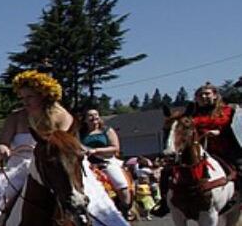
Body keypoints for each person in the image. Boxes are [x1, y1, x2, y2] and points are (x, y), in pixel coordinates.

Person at [0, 70, 131, 226]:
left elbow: (67, 146)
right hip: (20, 167)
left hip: (56, 166)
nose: (25, 101)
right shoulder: (15, 118)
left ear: (43, 94)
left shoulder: (62, 116)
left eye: (29, 97)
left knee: (86, 201)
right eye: (22, 97)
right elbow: (3, 141)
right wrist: (4, 148)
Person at [153, 82, 241, 216]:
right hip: (200, 150)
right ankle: (164, 202)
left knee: (240, 170)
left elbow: (237, 128)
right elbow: (183, 130)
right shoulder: (192, 114)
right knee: (167, 172)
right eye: (200, 95)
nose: (203, 97)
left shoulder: (229, 111)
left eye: (207, 93)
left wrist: (220, 132)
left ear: (215, 95)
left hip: (226, 149)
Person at [80, 109, 132, 213]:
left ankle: (126, 208)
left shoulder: (107, 130)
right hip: (87, 163)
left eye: (96, 114)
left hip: (105, 161)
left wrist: (96, 150)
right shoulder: (81, 133)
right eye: (90, 115)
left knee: (121, 183)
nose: (94, 117)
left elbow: (115, 148)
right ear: (85, 119)